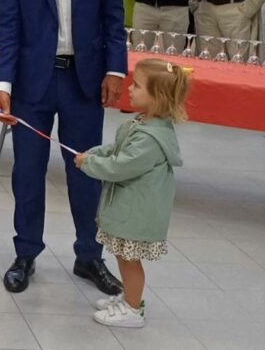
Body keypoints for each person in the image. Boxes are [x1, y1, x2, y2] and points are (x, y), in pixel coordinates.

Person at [0, 0, 126, 297]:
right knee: (27, 171)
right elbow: (6, 24)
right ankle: (26, 252)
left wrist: (114, 69)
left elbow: (112, 15)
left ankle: (89, 255)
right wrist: (3, 85)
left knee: (87, 171)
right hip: (32, 82)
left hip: (83, 81)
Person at [76, 58, 186, 329]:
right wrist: (95, 152)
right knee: (124, 259)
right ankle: (130, 298)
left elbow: (120, 166)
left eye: (137, 86)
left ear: (157, 97)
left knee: (129, 261)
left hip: (137, 213)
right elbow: (117, 148)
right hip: (130, 210)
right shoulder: (143, 123)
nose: (129, 89)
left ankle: (132, 309)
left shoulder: (150, 138)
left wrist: (88, 164)